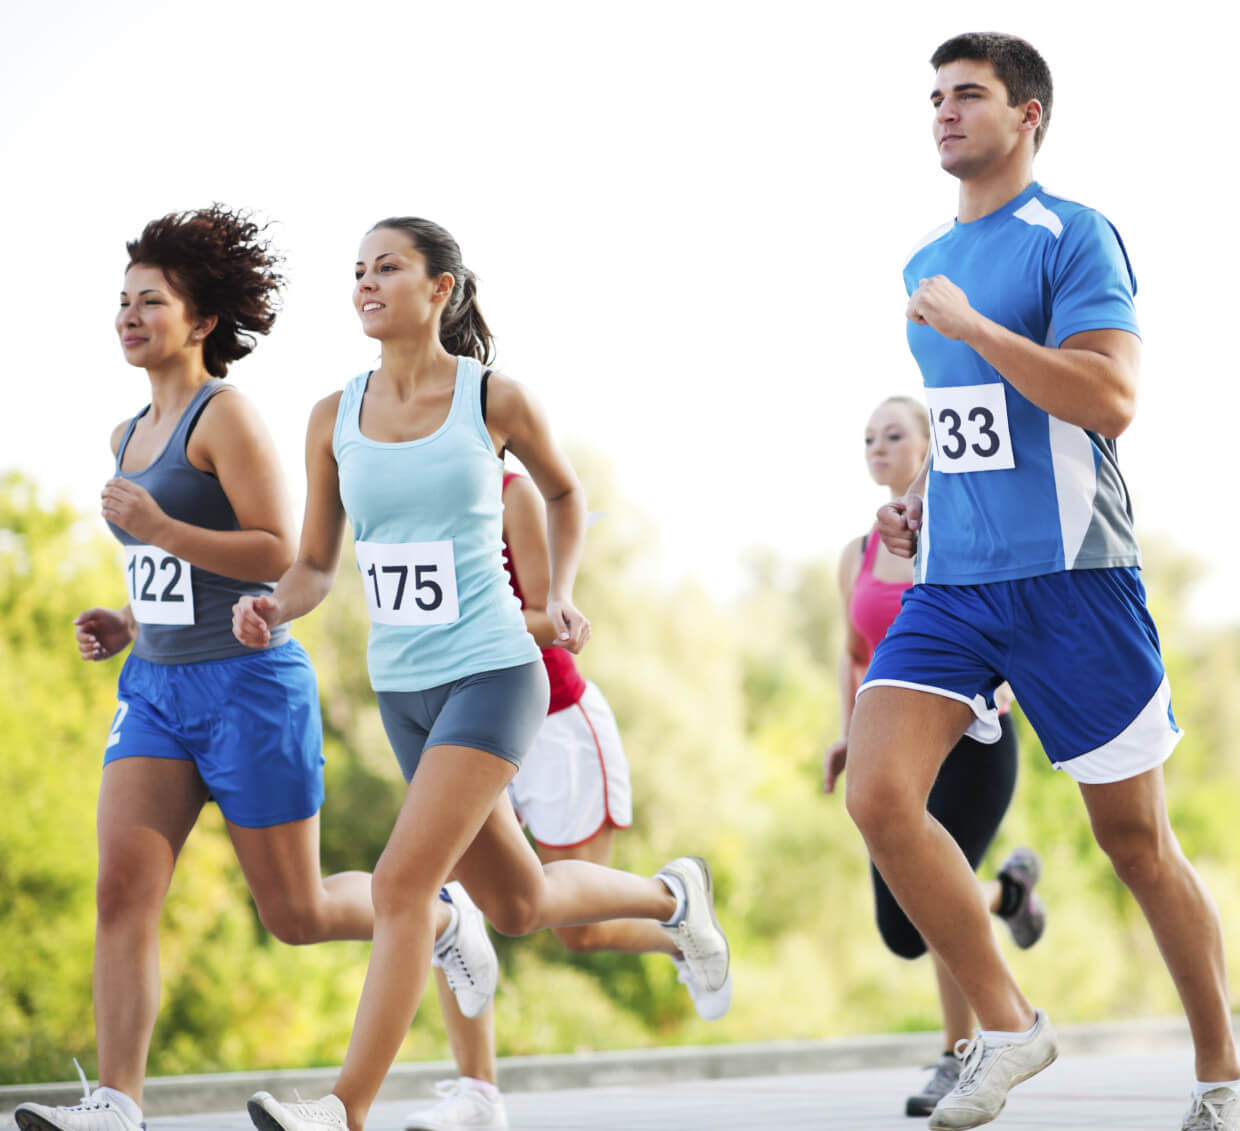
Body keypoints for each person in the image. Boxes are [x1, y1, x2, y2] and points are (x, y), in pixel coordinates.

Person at [233, 217, 728, 1131]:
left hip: (496, 671)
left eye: (388, 267)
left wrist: (563, 589)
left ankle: (344, 1107)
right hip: (403, 690)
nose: (367, 283)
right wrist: (274, 604)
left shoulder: (492, 400)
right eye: (358, 271)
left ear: (441, 289)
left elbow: (567, 491)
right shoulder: (331, 416)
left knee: (400, 885)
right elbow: (314, 563)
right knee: (520, 901)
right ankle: (674, 897)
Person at [846, 34, 1240, 1131]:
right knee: (878, 797)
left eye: (967, 95)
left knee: (1135, 845)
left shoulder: (1073, 236)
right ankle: (1009, 1026)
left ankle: (1222, 1070)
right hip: (955, 585)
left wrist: (977, 328)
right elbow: (978, 429)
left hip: (1076, 581)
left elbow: (1108, 400)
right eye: (933, 96)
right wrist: (927, 498)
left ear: (1027, 114)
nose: (942, 112)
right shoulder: (922, 259)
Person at [10, 208, 475, 1131]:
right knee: (122, 888)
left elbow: (276, 553)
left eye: (152, 301)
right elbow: (173, 571)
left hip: (249, 686)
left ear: (202, 319)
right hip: (157, 689)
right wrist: (131, 618)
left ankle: (445, 917)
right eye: (123, 301)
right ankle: (115, 1101)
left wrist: (158, 528)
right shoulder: (126, 431)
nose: (129, 316)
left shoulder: (231, 417)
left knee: (295, 912)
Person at [404, 471, 731, 1131]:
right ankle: (478, 1092)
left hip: (555, 724)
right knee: (445, 893)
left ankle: (675, 910)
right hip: (460, 724)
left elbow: (550, 621)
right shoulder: (405, 490)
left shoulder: (510, 491)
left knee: (577, 931)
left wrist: (450, 623)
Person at [824, 395, 1047, 1119]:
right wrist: (845, 733)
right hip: (892, 745)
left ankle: (964, 1053)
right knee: (900, 928)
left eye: (894, 433)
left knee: (933, 901)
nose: (877, 446)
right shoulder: (855, 554)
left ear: (931, 447)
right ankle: (1008, 894)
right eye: (868, 438)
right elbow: (855, 654)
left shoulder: (962, 529)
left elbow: (1008, 611)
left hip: (972, 738)